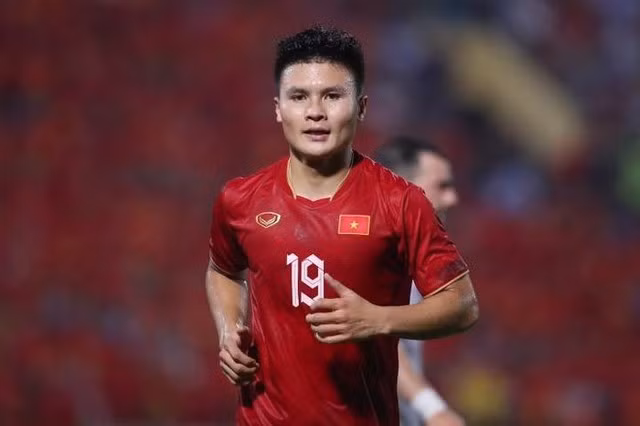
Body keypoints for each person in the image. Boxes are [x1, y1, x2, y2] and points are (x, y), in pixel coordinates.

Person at [206, 25, 479, 426]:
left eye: (332, 96)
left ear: (362, 107)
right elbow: (223, 271)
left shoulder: (400, 202)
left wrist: (378, 319)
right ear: (278, 108)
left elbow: (462, 305)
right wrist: (230, 330)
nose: (315, 111)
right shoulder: (240, 199)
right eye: (299, 97)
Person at [374, 137, 466, 426]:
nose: (452, 199)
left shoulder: (410, 256)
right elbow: (378, 343)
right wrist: (433, 408)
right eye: (442, 186)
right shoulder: (368, 253)